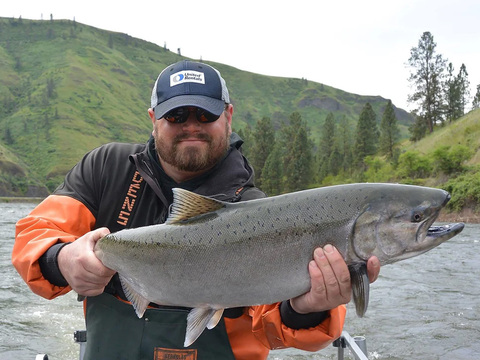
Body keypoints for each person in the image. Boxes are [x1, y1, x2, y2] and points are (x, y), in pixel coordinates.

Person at [12, 60, 380, 360]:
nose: (192, 126)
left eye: (205, 115)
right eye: (177, 116)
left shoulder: (256, 210)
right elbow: (36, 233)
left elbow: (272, 328)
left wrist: (310, 307)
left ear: (228, 117)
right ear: (154, 118)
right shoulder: (106, 168)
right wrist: (62, 259)